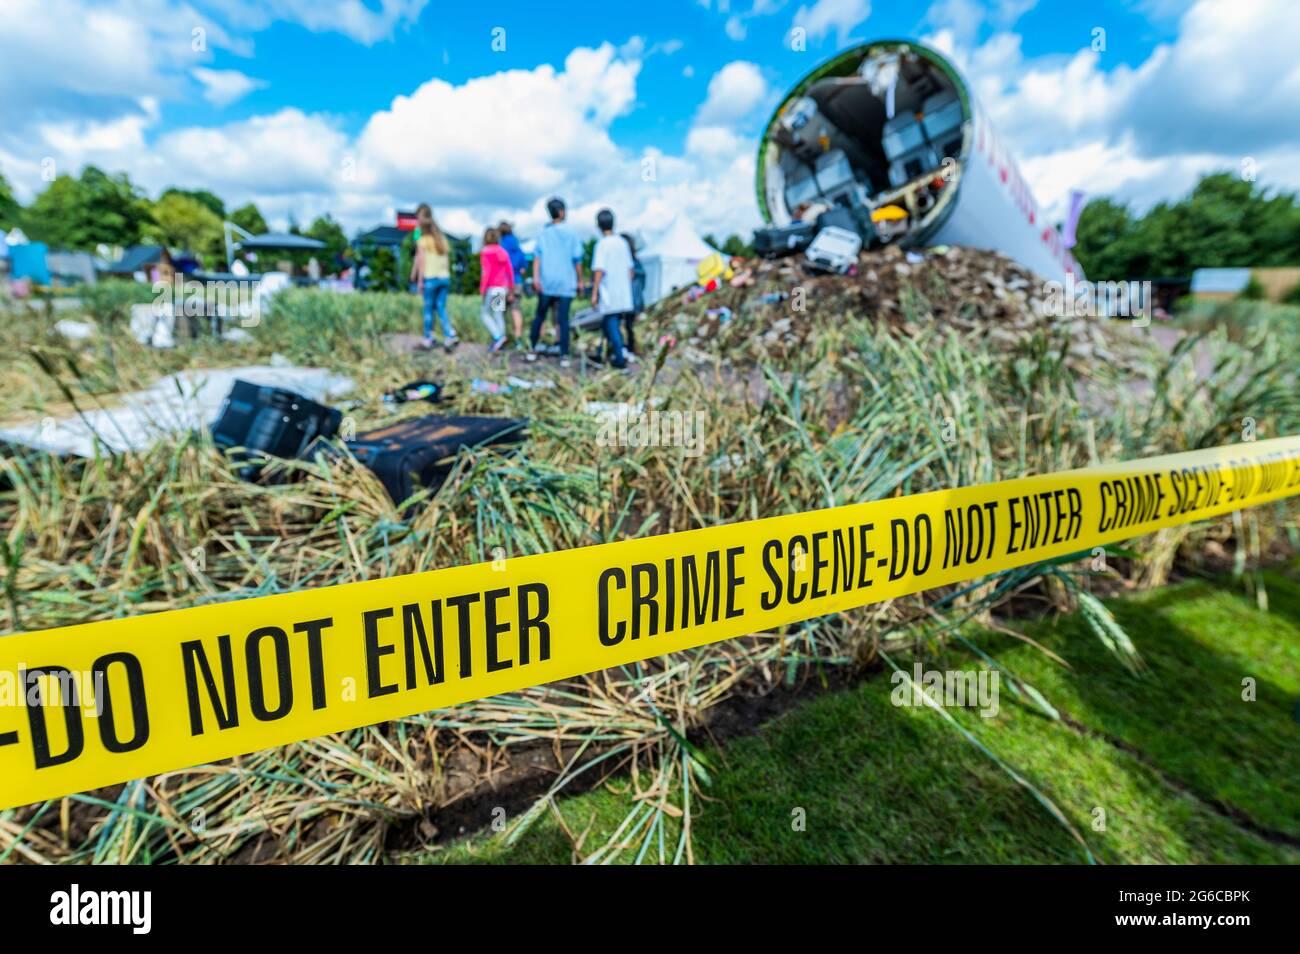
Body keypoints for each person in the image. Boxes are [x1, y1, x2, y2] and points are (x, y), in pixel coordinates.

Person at [528, 197, 584, 367]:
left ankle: (532, 348)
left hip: (546, 282)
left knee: (540, 316)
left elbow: (537, 257)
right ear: (562, 212)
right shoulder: (571, 234)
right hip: (566, 283)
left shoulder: (544, 234)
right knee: (562, 319)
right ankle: (564, 353)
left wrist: (536, 278)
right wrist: (580, 281)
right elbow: (577, 260)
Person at [409, 203, 457, 351]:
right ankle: (450, 333)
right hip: (445, 277)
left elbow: (421, 258)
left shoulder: (422, 238)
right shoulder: (441, 238)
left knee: (428, 308)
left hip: (431, 277)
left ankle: (428, 338)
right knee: (441, 307)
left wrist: (418, 279)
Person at [590, 208, 632, 370]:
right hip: (622, 291)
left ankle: (619, 359)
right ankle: (605, 353)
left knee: (611, 324)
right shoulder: (622, 243)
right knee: (611, 324)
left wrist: (594, 293)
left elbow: (599, 270)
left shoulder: (602, 245)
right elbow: (630, 270)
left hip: (609, 292)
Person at [479, 227, 513, 352]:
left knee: (484, 314)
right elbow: (509, 271)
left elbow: (485, 272)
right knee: (498, 314)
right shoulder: (503, 251)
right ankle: (501, 338)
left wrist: (482, 289)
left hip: (491, 287)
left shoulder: (486, 252)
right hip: (501, 287)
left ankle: (498, 336)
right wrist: (510, 287)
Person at [498, 221, 527, 346]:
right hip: (517, 282)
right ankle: (518, 340)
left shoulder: (499, 246)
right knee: (516, 310)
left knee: (498, 311)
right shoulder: (517, 246)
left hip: (499, 283)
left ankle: (499, 339)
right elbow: (523, 268)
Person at [621, 232, 645, 361]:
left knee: (626, 326)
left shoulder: (630, 263)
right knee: (628, 326)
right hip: (634, 300)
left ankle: (627, 349)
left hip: (630, 300)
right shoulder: (636, 262)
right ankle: (628, 349)